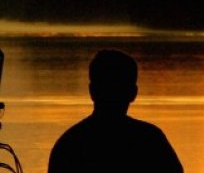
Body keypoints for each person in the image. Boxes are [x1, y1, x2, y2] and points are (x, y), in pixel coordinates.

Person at [48, 49, 183, 173]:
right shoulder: (149, 140)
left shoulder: (70, 144)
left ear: (92, 91)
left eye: (116, 86)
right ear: (133, 93)